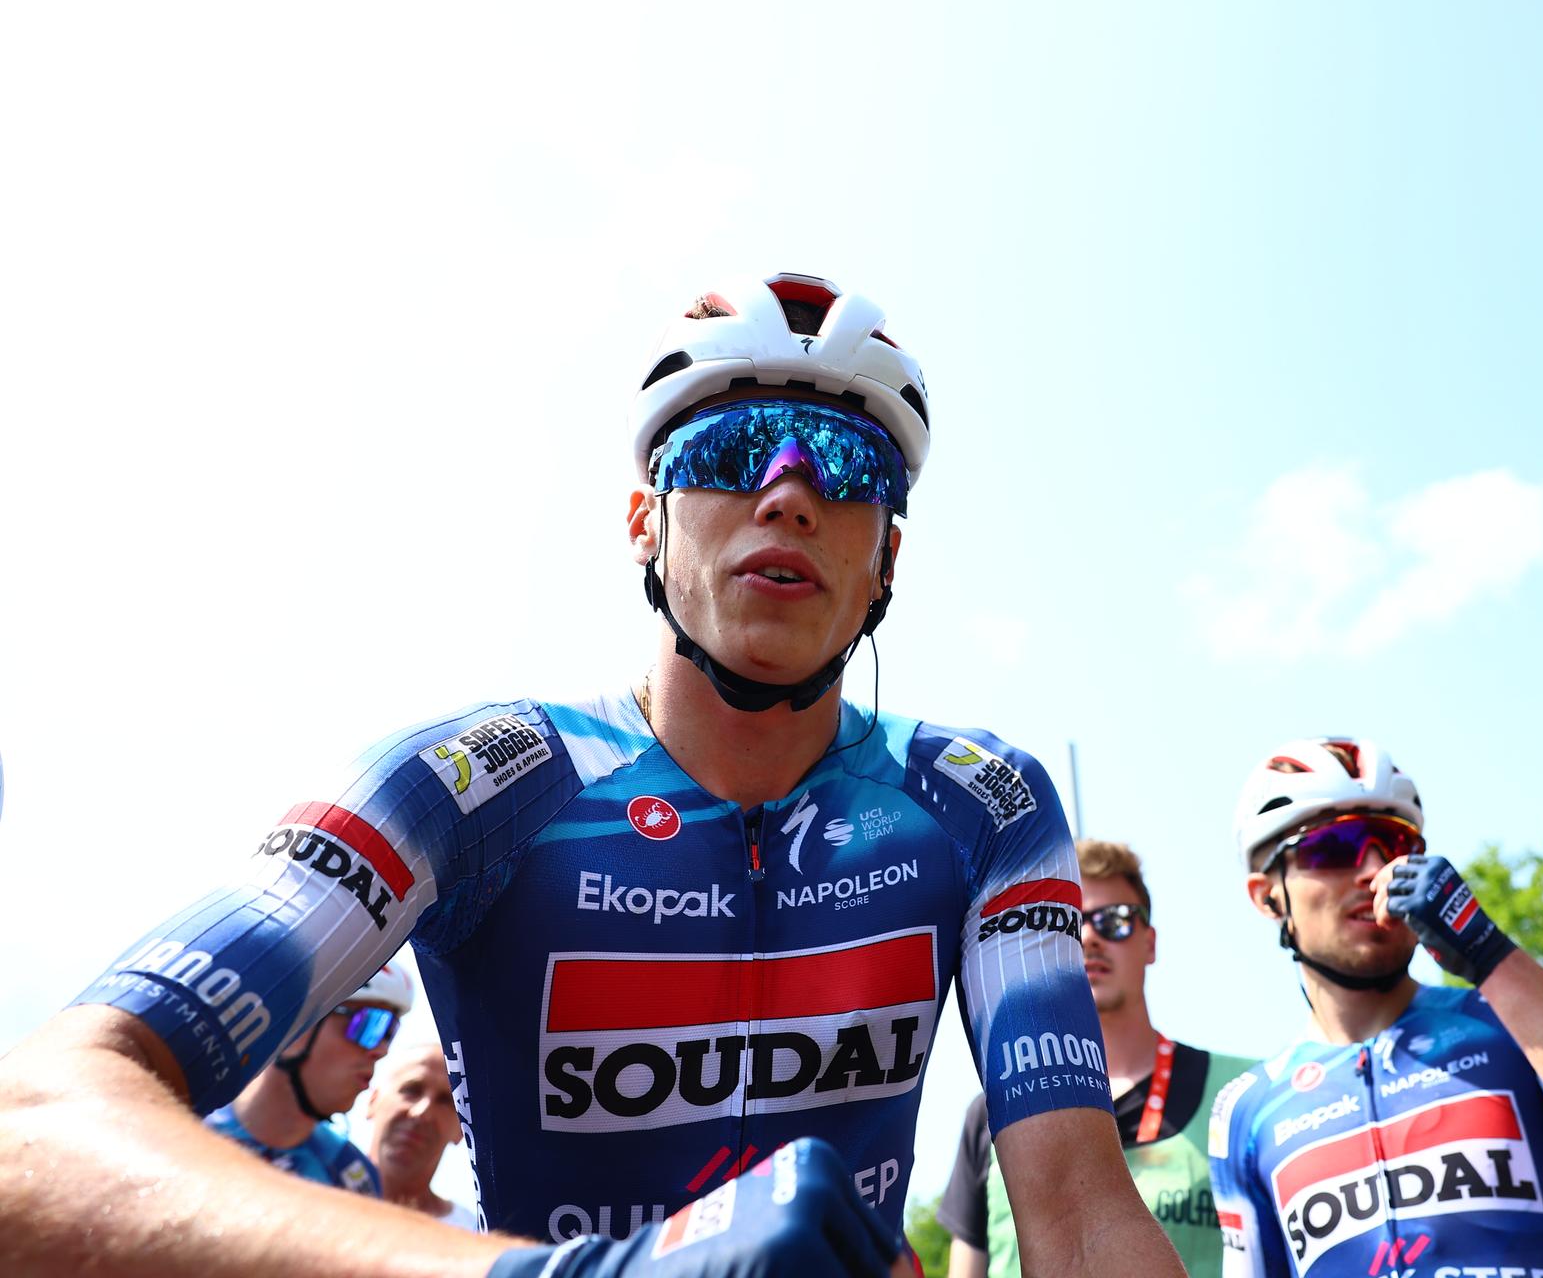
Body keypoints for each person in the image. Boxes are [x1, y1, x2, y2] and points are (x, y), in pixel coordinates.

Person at [0, 272, 1181, 1278]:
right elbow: (37, 1128)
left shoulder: (983, 802)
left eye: (847, 463)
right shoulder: (468, 780)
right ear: (642, 521)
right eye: (724, 448)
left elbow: (1076, 1211)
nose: (787, 490)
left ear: (886, 562)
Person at [1208, 737, 1543, 1277]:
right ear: (1267, 895)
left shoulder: (1517, 1022)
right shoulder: (1247, 1114)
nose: (1375, 869)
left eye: (1395, 844)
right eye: (1334, 846)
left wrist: (1491, 957)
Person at [940, 838, 1257, 1278]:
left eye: (1116, 921)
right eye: (1070, 923)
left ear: (1150, 943)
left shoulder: (1244, 1094)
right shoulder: (991, 1112)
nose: (1089, 937)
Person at [204, 963, 411, 1196]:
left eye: (390, 1032)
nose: (381, 1050)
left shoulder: (352, 1178)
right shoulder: (187, 1115)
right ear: (297, 1026)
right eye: (370, 1024)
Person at [366, 1042, 479, 1229]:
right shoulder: (312, 1185)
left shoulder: (472, 1236)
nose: (422, 1111)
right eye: (412, 1089)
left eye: (445, 1101)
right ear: (373, 1101)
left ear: (462, 1132)